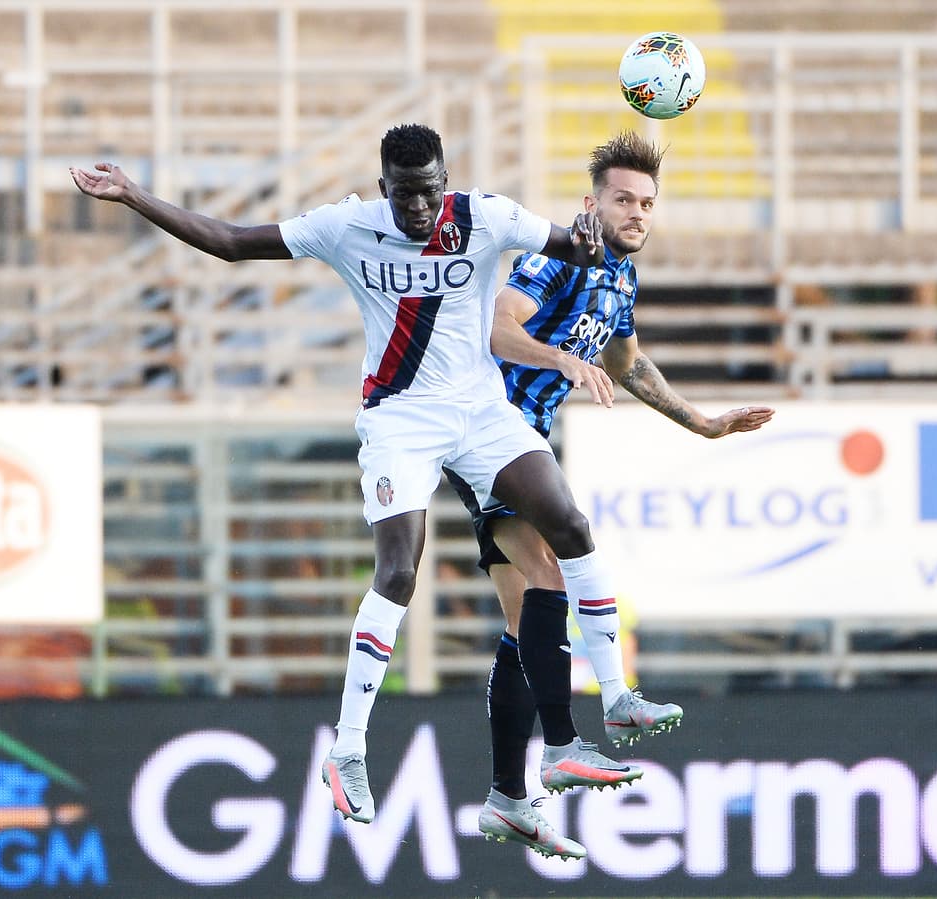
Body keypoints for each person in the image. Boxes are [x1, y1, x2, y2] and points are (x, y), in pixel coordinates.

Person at [70, 125, 643, 847]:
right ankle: (347, 749)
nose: (417, 208)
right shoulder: (348, 227)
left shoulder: (486, 215)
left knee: (569, 525)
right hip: (400, 419)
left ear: (445, 183)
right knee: (399, 571)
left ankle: (612, 701)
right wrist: (133, 195)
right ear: (383, 190)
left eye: (428, 193)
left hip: (481, 411)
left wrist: (587, 239)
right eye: (404, 195)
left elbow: (573, 247)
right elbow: (233, 242)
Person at [448, 131, 774, 857]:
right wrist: (559, 357)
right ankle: (577, 734)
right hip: (484, 427)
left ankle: (507, 796)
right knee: (558, 560)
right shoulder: (560, 255)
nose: (636, 212)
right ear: (591, 203)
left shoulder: (620, 277)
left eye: (647, 203)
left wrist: (703, 423)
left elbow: (626, 362)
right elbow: (497, 327)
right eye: (623, 199)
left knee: (524, 619)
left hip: (516, 437)